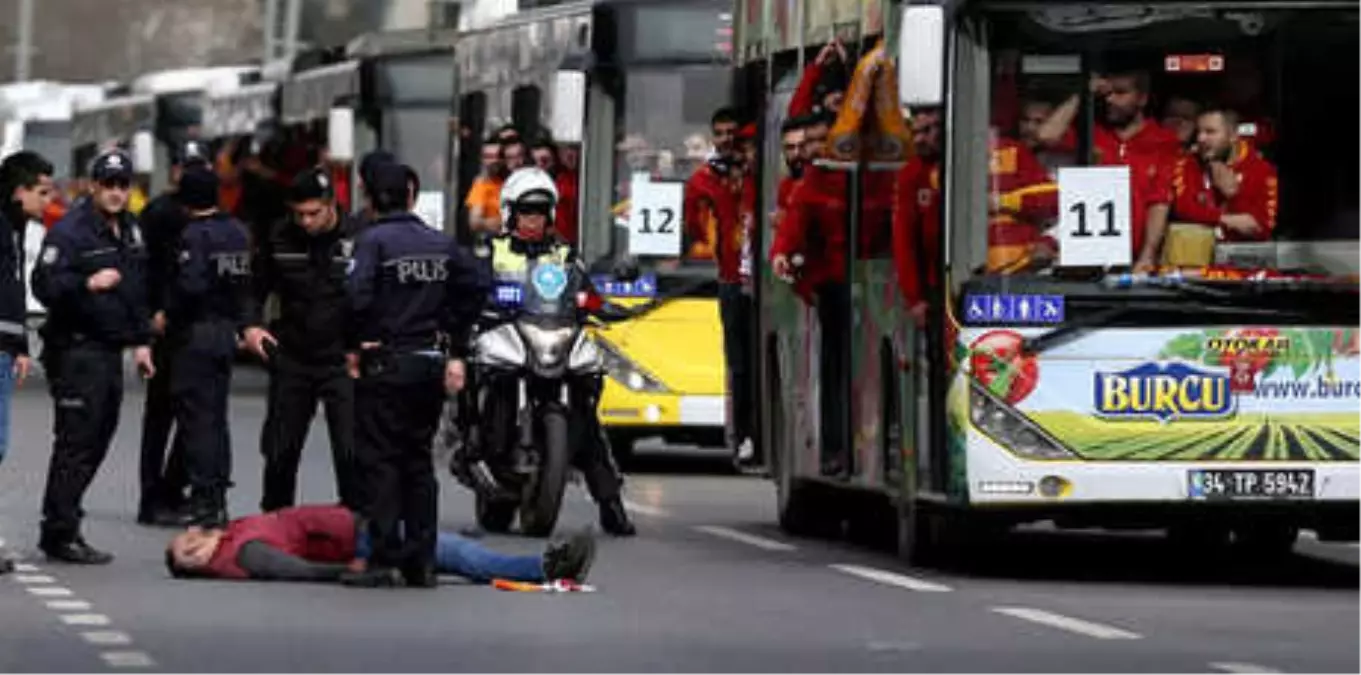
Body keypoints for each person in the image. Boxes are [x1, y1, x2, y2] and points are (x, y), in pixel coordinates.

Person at [459, 167, 636, 537]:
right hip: (508, 335)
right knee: (479, 372)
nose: (533, 221)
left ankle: (610, 502)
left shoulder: (566, 256)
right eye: (526, 212)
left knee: (585, 412)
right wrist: (475, 303)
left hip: (555, 334)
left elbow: (585, 290)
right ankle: (471, 440)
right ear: (510, 213)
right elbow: (471, 287)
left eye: (540, 212)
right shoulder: (493, 251)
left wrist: (603, 305)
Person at [345, 160, 491, 588]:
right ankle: (422, 562)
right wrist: (451, 331)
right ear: (412, 195)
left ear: (369, 198)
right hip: (429, 363)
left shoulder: (373, 242)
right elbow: (478, 285)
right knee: (418, 462)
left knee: (381, 462)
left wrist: (360, 338)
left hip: (387, 364)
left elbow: (355, 297)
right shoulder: (441, 244)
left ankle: (385, 557)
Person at [32, 149, 156, 564]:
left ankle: (64, 521)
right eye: (109, 184)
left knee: (99, 438)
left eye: (123, 185)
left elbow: (138, 290)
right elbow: (45, 284)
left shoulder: (130, 231)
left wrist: (142, 343)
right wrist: (87, 283)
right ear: (92, 186)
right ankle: (60, 530)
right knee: (76, 441)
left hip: (108, 352)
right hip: (76, 351)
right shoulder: (71, 231)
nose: (116, 193)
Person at [243, 169, 363, 513]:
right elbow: (253, 289)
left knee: (350, 451)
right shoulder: (279, 236)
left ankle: (357, 530)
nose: (306, 221)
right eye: (299, 214)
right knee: (280, 450)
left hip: (343, 358)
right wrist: (250, 326)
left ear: (331, 206)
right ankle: (275, 522)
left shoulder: (359, 236)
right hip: (293, 354)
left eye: (314, 213)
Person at [163, 504, 596, 585]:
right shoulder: (242, 553)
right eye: (188, 555)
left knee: (450, 549)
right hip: (363, 538)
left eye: (187, 540)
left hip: (363, 524)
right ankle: (546, 568)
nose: (193, 543)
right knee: (459, 557)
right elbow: (294, 570)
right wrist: (352, 569)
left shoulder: (233, 533)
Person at [163, 166, 253, 528]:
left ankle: (203, 498)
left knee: (196, 420)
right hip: (225, 333)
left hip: (196, 334)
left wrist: (169, 314)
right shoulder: (237, 232)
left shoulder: (193, 236)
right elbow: (245, 283)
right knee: (216, 418)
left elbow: (190, 286)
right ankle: (217, 494)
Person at [138, 140, 211, 527]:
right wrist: (149, 316)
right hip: (165, 326)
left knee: (193, 416)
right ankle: (152, 496)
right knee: (161, 415)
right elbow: (145, 269)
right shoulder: (159, 214)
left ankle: (171, 488)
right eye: (187, 166)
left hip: (196, 325)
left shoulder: (208, 218)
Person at [0, 151, 54, 573]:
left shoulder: (14, 225)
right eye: (42, 191)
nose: (48, 199)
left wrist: (18, 346)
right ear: (19, 191)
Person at [1170, 108, 1278, 242]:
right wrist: (1224, 219)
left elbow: (1262, 227)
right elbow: (1183, 209)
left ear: (1232, 135)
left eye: (1210, 132)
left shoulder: (1261, 170)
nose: (1201, 138)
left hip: (1242, 257)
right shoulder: (1187, 162)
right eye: (1199, 132)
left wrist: (1234, 196)